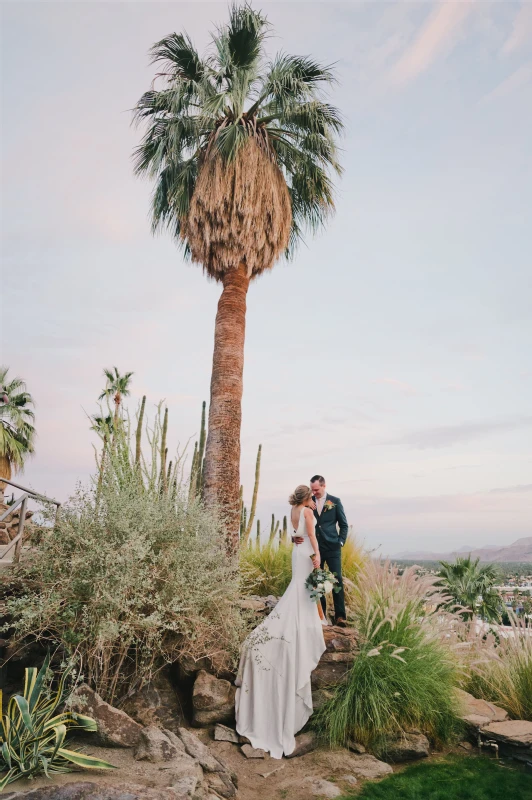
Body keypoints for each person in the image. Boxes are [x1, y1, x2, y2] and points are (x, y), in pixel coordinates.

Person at [235, 485, 326, 758]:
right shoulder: (308, 512)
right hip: (306, 554)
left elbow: (293, 537)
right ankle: (309, 619)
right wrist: (317, 558)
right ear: (308, 498)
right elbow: (311, 537)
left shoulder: (293, 510)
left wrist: (302, 546)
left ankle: (309, 615)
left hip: (296, 554)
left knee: (297, 587)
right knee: (304, 587)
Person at [293, 475, 348, 626]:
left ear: (324, 486)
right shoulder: (307, 502)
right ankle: (321, 615)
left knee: (337, 580)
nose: (314, 492)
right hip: (313, 548)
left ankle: (340, 616)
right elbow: (299, 522)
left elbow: (344, 525)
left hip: (332, 547)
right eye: (312, 489)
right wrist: (295, 537)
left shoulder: (335, 502)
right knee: (317, 581)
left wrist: (340, 542)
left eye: (316, 489)